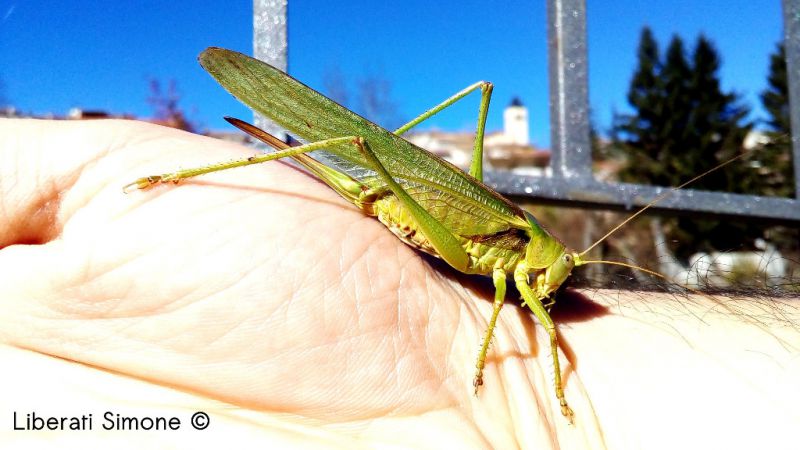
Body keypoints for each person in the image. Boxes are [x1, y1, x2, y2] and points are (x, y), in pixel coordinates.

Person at [1, 118, 797, 449]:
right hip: (410, 197)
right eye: (557, 272)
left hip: (443, 225)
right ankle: (198, 167)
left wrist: (554, 409)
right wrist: (520, 380)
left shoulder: (544, 267)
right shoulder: (517, 254)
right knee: (362, 137)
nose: (557, 282)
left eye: (563, 276)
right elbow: (504, 317)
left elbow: (526, 308)